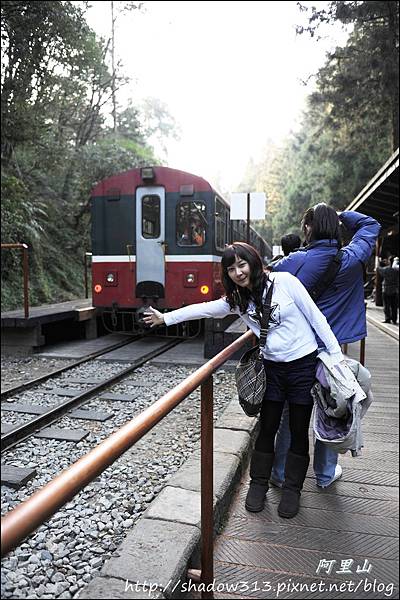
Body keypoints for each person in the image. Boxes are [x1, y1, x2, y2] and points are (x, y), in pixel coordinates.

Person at [143, 242, 344, 518]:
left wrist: (336, 357)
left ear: (253, 262)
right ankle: (258, 484)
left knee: (299, 429)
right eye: (231, 269)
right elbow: (204, 309)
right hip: (272, 369)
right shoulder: (238, 301)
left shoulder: (285, 282)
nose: (238, 272)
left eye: (242, 264)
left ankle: (292, 490)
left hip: (302, 366)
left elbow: (316, 318)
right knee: (268, 426)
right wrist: (165, 318)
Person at [270, 205, 381, 489]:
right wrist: (340, 215)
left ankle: (280, 474)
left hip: (298, 352)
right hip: (332, 355)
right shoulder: (354, 257)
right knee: (332, 410)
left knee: (288, 414)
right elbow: (371, 224)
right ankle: (324, 474)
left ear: (308, 229)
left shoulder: (293, 262)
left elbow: (266, 288)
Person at [377, 256, 399, 324]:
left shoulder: (386, 269)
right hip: (395, 289)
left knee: (386, 305)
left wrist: (379, 262)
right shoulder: (396, 270)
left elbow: (378, 269)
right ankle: (394, 319)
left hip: (386, 289)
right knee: (394, 306)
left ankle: (388, 318)